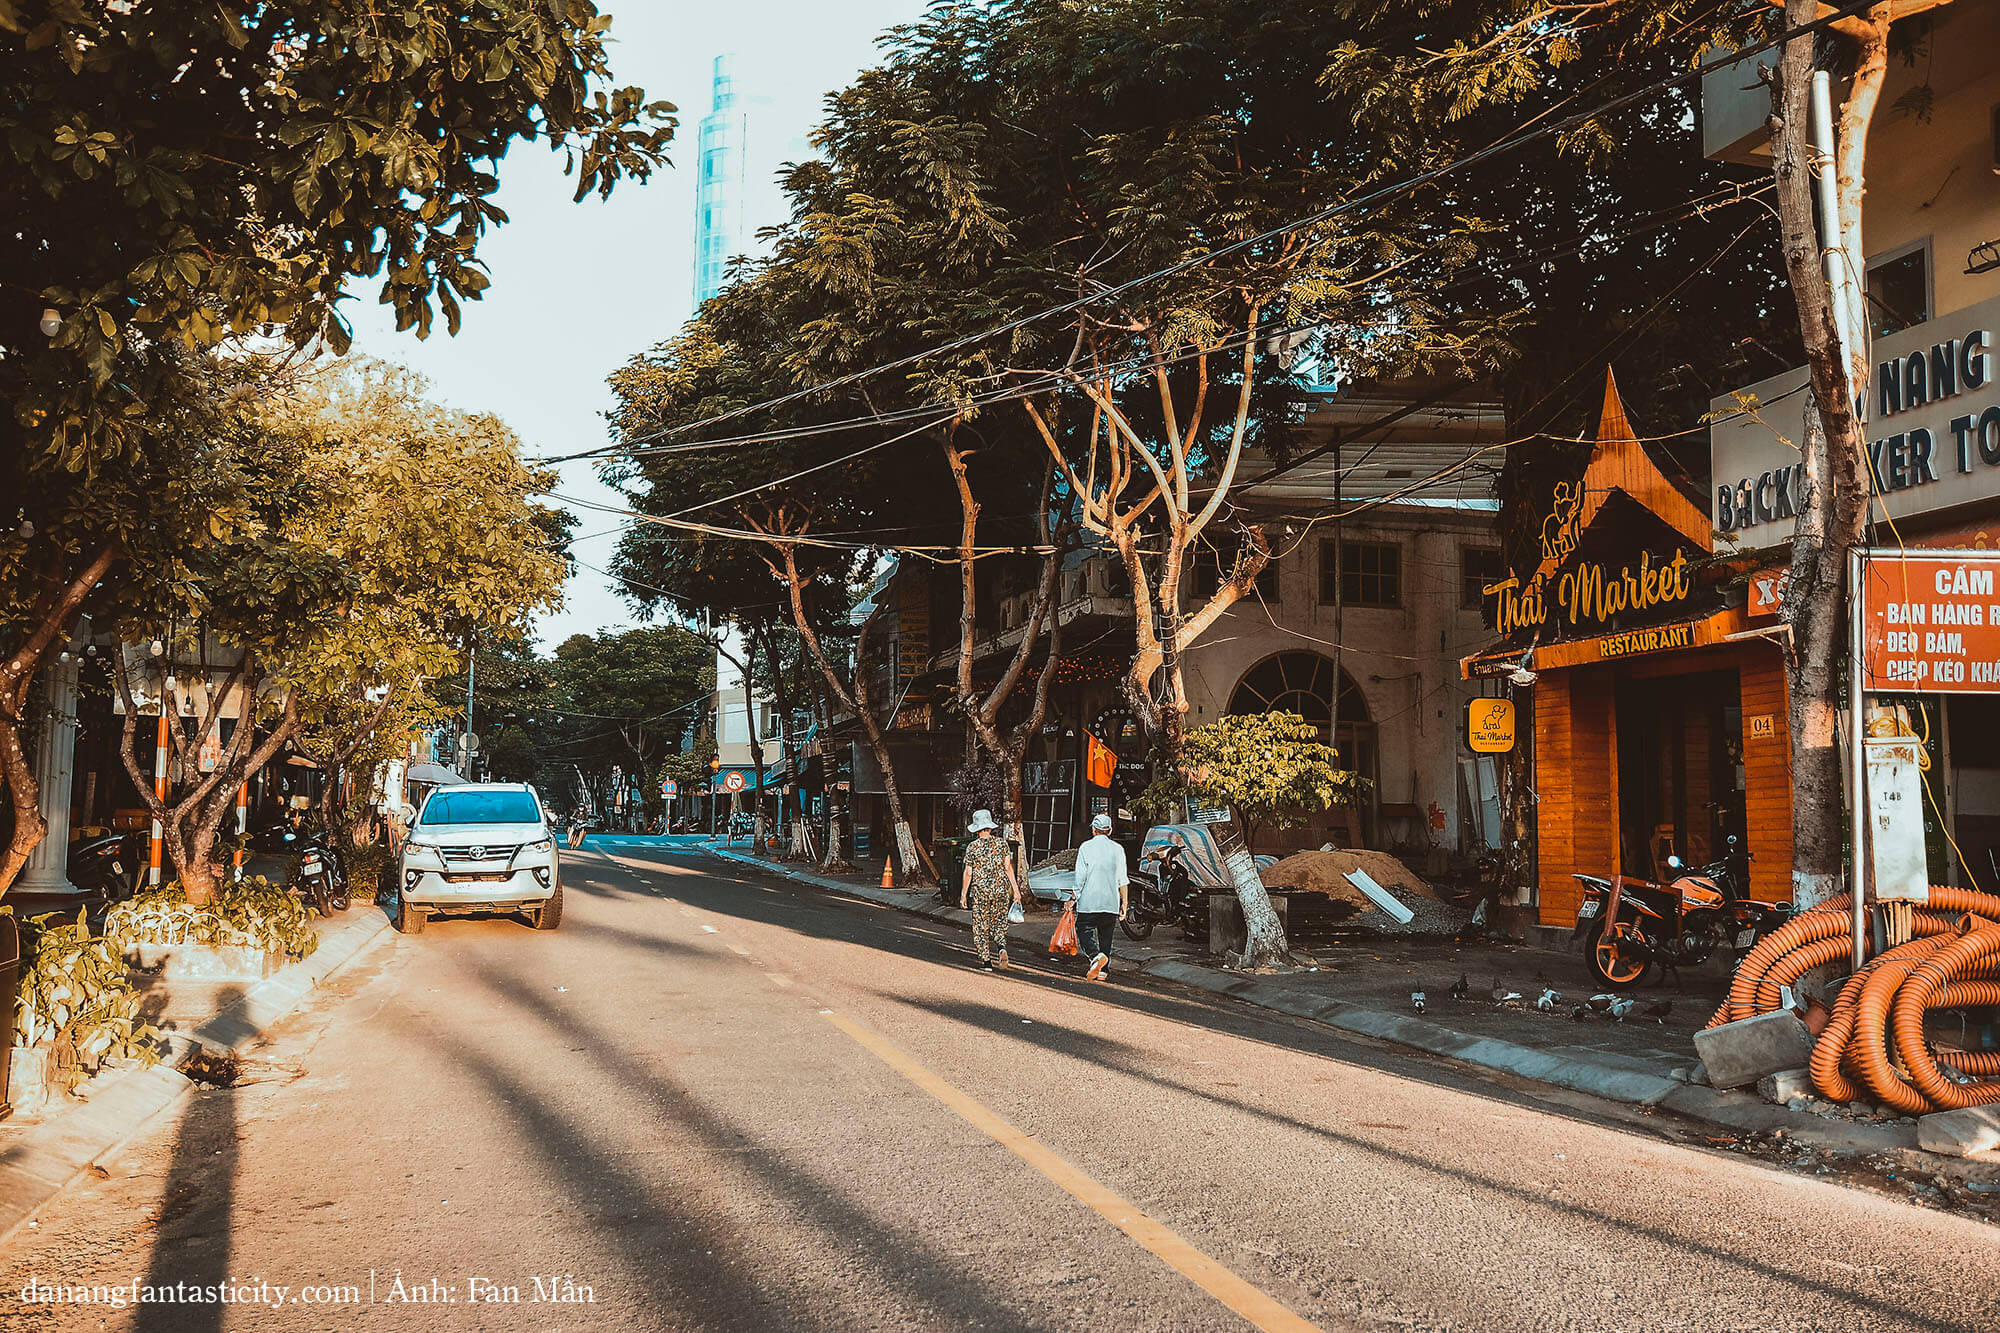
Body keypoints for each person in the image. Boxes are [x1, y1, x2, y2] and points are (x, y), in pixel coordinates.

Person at [958, 809, 1022, 970]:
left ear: (976, 829)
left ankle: (987, 962)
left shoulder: (972, 847)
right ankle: (1001, 947)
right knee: (999, 922)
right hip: (1001, 890)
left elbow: (968, 873)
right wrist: (1016, 891)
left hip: (981, 892)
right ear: (990, 827)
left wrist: (963, 895)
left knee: (981, 925)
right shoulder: (1002, 844)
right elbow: (1008, 868)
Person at [1070, 812, 1128, 980]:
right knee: (1106, 936)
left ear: (1094, 830)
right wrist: (1124, 902)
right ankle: (1103, 970)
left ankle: (1095, 956)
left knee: (1083, 929)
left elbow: (1080, 877)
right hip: (1111, 902)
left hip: (1089, 901)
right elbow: (1122, 879)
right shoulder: (1118, 849)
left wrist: (1074, 897)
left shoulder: (1085, 847)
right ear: (1109, 830)